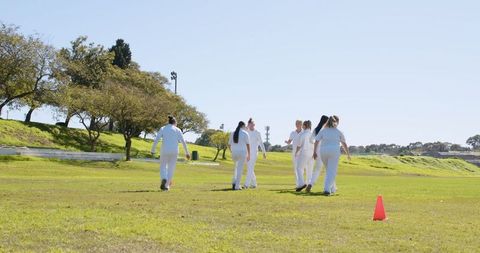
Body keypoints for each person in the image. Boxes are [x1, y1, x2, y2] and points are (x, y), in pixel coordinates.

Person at [151, 116, 191, 191]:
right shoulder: (177, 130)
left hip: (165, 150)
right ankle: (166, 186)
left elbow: (157, 139)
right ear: (175, 123)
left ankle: (164, 178)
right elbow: (183, 141)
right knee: (171, 169)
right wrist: (187, 153)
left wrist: (153, 150)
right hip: (174, 151)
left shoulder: (163, 128)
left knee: (163, 166)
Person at [313, 116, 350, 195]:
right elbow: (344, 143)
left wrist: (314, 152)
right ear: (335, 122)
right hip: (334, 151)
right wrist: (348, 154)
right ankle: (327, 189)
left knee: (329, 170)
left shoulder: (323, 131)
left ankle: (333, 188)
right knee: (332, 171)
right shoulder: (338, 131)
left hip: (323, 151)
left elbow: (316, 141)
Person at [306, 115, 329, 192]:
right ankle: (332, 187)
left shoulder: (316, 129)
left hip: (317, 151)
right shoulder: (327, 130)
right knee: (329, 170)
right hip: (325, 151)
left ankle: (311, 184)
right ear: (326, 121)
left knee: (317, 169)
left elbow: (310, 140)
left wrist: (314, 148)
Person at [244, 118, 267, 189]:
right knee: (250, 168)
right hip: (247, 153)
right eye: (249, 124)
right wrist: (246, 127)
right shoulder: (246, 131)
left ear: (254, 125)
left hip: (254, 153)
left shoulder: (257, 133)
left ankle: (246, 185)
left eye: (252, 124)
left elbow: (261, 143)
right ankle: (254, 184)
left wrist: (264, 152)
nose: (251, 125)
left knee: (250, 168)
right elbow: (242, 130)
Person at [228, 121, 251, 190]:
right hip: (242, 153)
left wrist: (232, 151)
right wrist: (249, 154)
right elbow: (248, 145)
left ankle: (234, 182)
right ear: (243, 126)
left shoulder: (232, 133)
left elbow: (229, 145)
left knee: (235, 168)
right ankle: (237, 186)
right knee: (239, 170)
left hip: (234, 153)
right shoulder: (245, 133)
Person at [294, 120, 314, 192]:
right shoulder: (312, 134)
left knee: (299, 168)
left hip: (304, 153)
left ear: (305, 126)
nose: (302, 126)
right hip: (312, 154)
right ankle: (309, 186)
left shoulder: (302, 135)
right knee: (310, 170)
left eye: (303, 125)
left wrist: (296, 153)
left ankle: (301, 183)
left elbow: (299, 145)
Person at [285, 120, 303, 186]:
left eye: (298, 123)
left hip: (302, 153)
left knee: (300, 168)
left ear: (301, 124)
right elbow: (289, 141)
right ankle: (297, 183)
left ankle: (302, 183)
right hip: (294, 153)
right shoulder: (293, 133)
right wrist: (287, 142)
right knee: (295, 168)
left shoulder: (303, 132)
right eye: (296, 124)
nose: (297, 125)